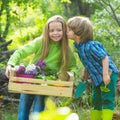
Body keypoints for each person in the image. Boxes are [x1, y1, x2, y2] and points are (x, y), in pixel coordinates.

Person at [5, 15, 77, 120]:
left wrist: (72, 74)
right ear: (47, 31)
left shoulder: (65, 48)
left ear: (64, 30)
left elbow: (73, 66)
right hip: (30, 79)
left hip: (46, 83)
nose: (55, 33)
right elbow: (21, 51)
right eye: (51, 30)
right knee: (23, 108)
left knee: (38, 110)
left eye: (58, 30)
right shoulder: (41, 42)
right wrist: (10, 64)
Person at [66, 16, 118, 120]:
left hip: (108, 74)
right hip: (96, 77)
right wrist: (85, 73)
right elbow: (89, 61)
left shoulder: (91, 45)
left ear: (78, 33)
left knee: (107, 99)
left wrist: (105, 74)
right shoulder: (79, 47)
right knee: (96, 99)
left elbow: (104, 58)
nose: (66, 32)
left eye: (69, 30)